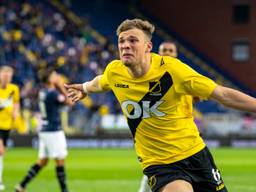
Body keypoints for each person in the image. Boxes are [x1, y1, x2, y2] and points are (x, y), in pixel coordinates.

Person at [65, 18, 256, 192]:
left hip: (195, 153)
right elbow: (100, 81)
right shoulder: (115, 71)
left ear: (148, 46)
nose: (125, 46)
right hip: (159, 163)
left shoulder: (173, 70)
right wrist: (84, 88)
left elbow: (221, 94)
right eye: (121, 41)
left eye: (132, 40)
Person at [15, 69, 73, 192]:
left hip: (45, 130)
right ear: (49, 79)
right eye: (54, 75)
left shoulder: (43, 92)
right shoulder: (53, 93)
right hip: (53, 130)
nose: (57, 76)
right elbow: (69, 102)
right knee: (60, 160)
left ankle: (21, 186)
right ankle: (65, 190)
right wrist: (60, 86)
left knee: (42, 161)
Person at [139, 41, 178, 192]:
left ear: (176, 54)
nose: (167, 53)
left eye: (171, 50)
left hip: (179, 141)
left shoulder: (184, 75)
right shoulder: (149, 75)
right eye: (164, 50)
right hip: (155, 144)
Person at [0, 66, 20, 190]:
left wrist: (16, 112)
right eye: (4, 74)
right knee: (0, 151)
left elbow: (17, 102)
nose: (6, 77)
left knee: (2, 154)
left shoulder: (14, 89)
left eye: (9, 75)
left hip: (7, 126)